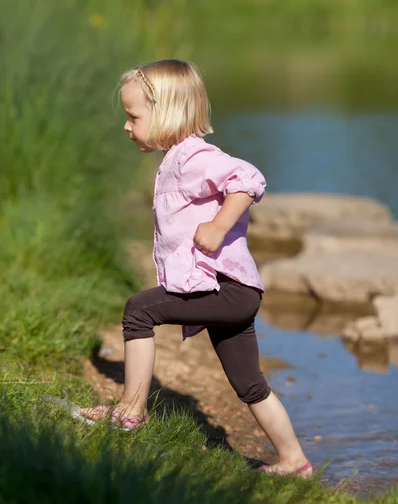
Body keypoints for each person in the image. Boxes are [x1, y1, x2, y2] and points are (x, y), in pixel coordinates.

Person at [79, 59, 312, 478]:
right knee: (249, 384)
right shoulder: (175, 159)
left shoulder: (195, 157)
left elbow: (249, 178)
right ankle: (295, 462)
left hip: (224, 288)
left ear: (167, 112)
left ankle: (131, 412)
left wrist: (219, 225)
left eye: (134, 117)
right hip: (232, 290)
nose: (127, 127)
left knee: (139, 310)